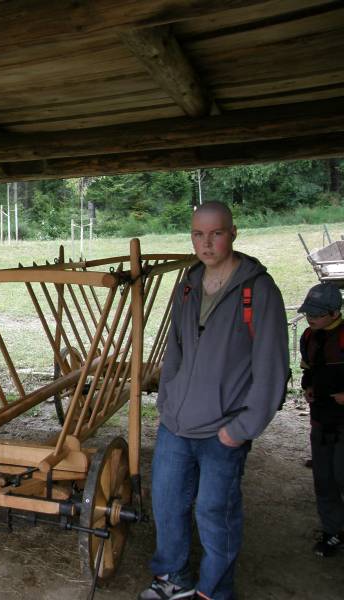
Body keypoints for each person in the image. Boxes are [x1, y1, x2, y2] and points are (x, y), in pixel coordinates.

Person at [139, 201, 289, 600]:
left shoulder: (258, 290)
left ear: (233, 233)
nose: (206, 243)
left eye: (216, 233)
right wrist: (167, 403)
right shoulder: (187, 284)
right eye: (198, 234)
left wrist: (240, 430)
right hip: (177, 423)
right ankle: (173, 577)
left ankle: (214, 591)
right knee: (167, 504)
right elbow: (174, 349)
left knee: (214, 513)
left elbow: (272, 368)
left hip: (224, 427)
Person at [298, 282, 344, 557]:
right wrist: (308, 387)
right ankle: (332, 532)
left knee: (342, 476)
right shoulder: (308, 337)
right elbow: (308, 371)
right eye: (308, 312)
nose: (310, 317)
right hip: (321, 420)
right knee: (324, 479)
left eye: (316, 313)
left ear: (334, 311)